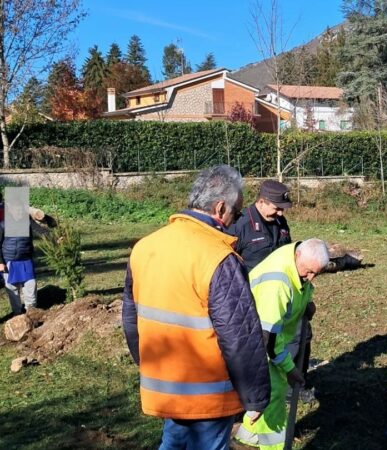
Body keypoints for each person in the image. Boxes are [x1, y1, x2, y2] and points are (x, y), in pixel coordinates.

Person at [122, 165, 271, 450]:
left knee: (173, 444)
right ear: (219, 208)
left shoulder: (144, 247)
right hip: (208, 394)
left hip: (164, 385)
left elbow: (131, 318)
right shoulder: (218, 258)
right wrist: (255, 397)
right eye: (236, 213)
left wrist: (147, 364)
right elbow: (240, 337)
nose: (235, 221)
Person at [234, 238, 330, 450]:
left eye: (317, 273)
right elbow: (269, 341)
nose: (311, 277)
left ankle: (248, 437)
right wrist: (290, 369)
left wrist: (306, 302)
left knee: (269, 396)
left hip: (270, 340)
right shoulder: (276, 285)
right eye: (308, 271)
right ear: (298, 257)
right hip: (257, 345)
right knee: (273, 395)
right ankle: (276, 446)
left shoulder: (296, 256)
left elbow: (300, 286)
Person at [227, 180, 315, 403]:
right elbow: (227, 264)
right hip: (254, 299)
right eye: (276, 207)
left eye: (282, 209)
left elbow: (293, 258)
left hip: (284, 293)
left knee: (300, 335)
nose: (279, 212)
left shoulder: (280, 222)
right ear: (261, 201)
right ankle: (249, 388)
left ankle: (292, 384)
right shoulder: (240, 225)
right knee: (257, 343)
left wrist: (304, 297)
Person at [0, 192, 37, 316]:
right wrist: (0, 262)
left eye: (21, 209)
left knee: (31, 286)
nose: (19, 212)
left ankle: (31, 312)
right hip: (9, 261)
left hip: (26, 260)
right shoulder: (3, 225)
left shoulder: (27, 223)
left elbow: (33, 238)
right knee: (12, 289)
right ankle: (17, 314)